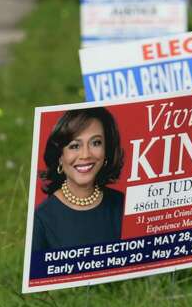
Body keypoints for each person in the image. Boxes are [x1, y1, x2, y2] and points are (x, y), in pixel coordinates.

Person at [31, 107, 126, 253]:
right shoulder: (42, 219)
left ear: (107, 150)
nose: (85, 155)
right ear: (60, 157)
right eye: (74, 146)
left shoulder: (122, 205)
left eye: (96, 143)